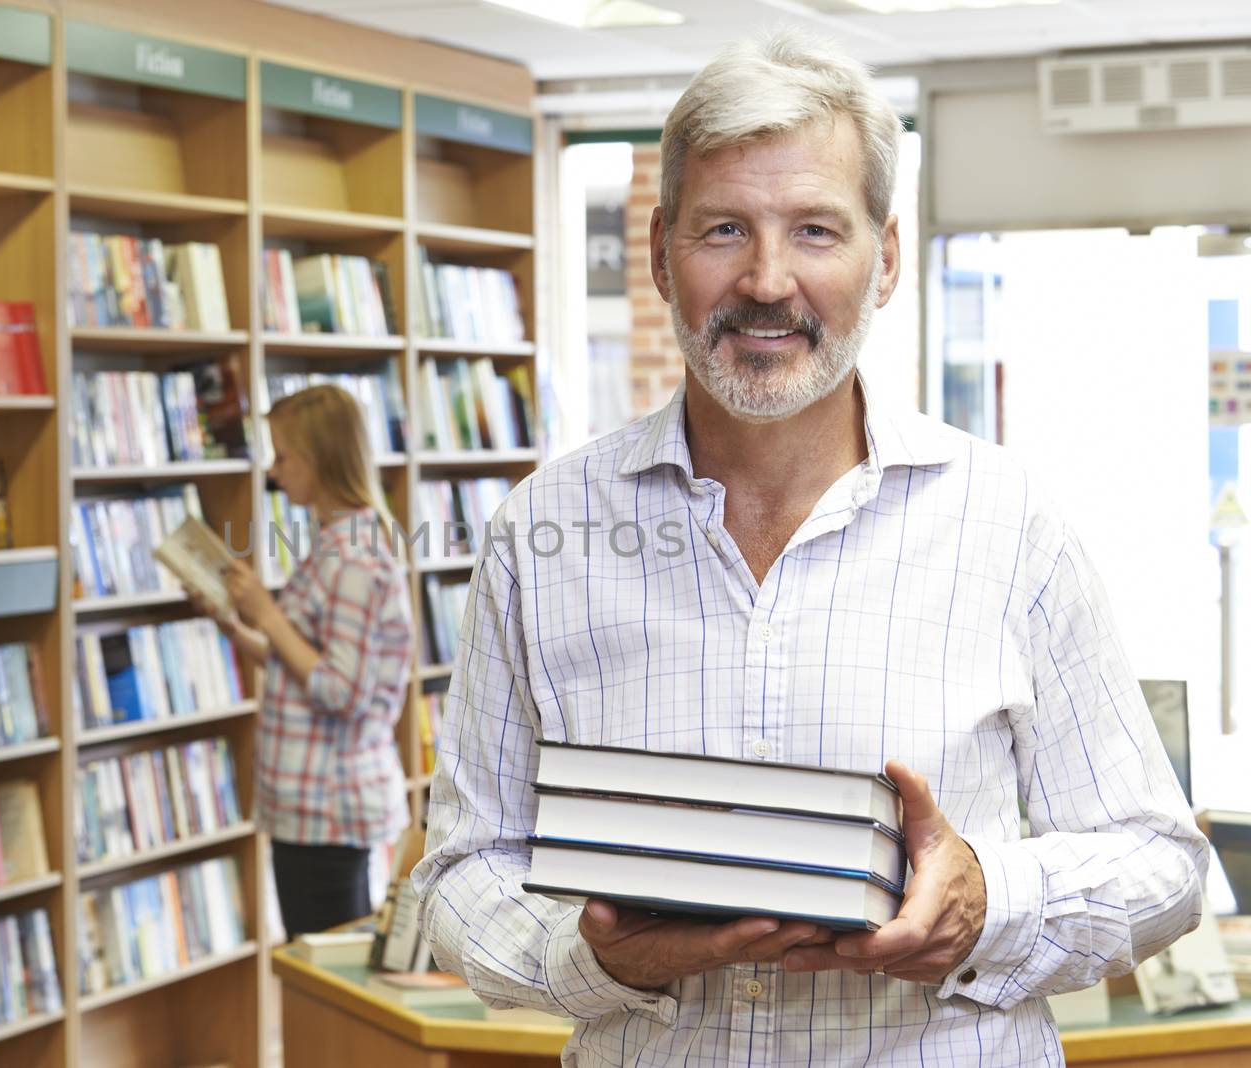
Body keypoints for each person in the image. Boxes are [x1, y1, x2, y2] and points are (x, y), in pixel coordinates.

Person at [412, 28, 1207, 1066]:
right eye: (724, 229)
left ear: (882, 260)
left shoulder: (1011, 524)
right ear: (659, 253)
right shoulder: (538, 538)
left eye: (817, 231)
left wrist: (986, 897)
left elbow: (1160, 864)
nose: (768, 280)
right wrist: (599, 959)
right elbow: (457, 877)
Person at [217, 384, 413, 937]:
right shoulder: (332, 546)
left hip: (328, 810)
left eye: (284, 456)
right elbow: (299, 667)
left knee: (327, 986)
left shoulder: (353, 559)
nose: (274, 472)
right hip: (307, 803)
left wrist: (268, 615)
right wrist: (234, 624)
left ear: (322, 460)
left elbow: (341, 692)